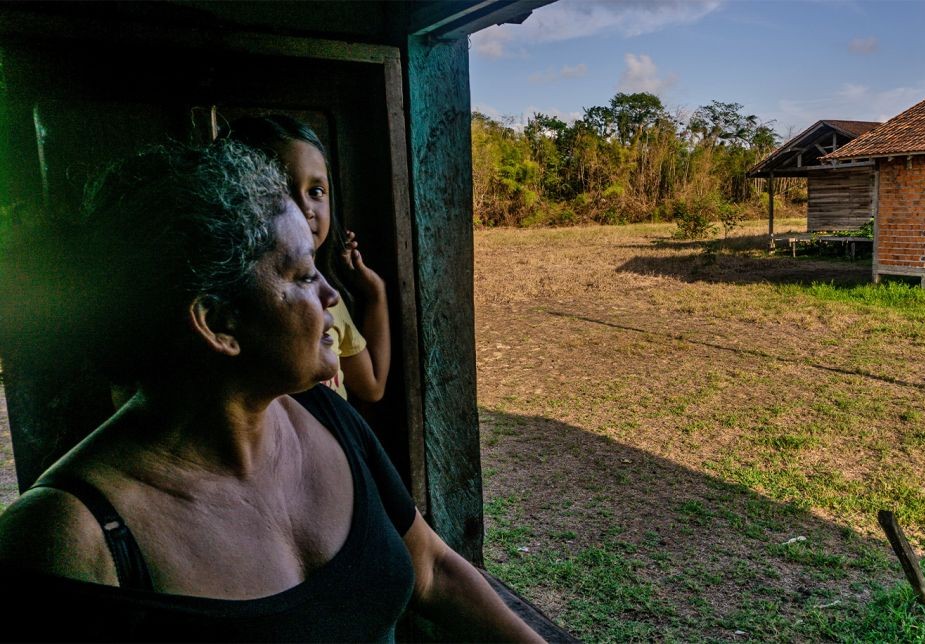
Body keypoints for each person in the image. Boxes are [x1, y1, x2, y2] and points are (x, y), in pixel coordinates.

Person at [0, 141, 542, 642]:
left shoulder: (327, 415)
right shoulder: (64, 539)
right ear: (218, 323)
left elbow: (432, 569)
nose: (331, 293)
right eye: (304, 275)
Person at [227, 115, 389, 403]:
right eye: (280, 191)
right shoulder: (236, 310)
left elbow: (372, 386)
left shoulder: (328, 299)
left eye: (316, 191)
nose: (303, 208)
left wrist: (376, 293)